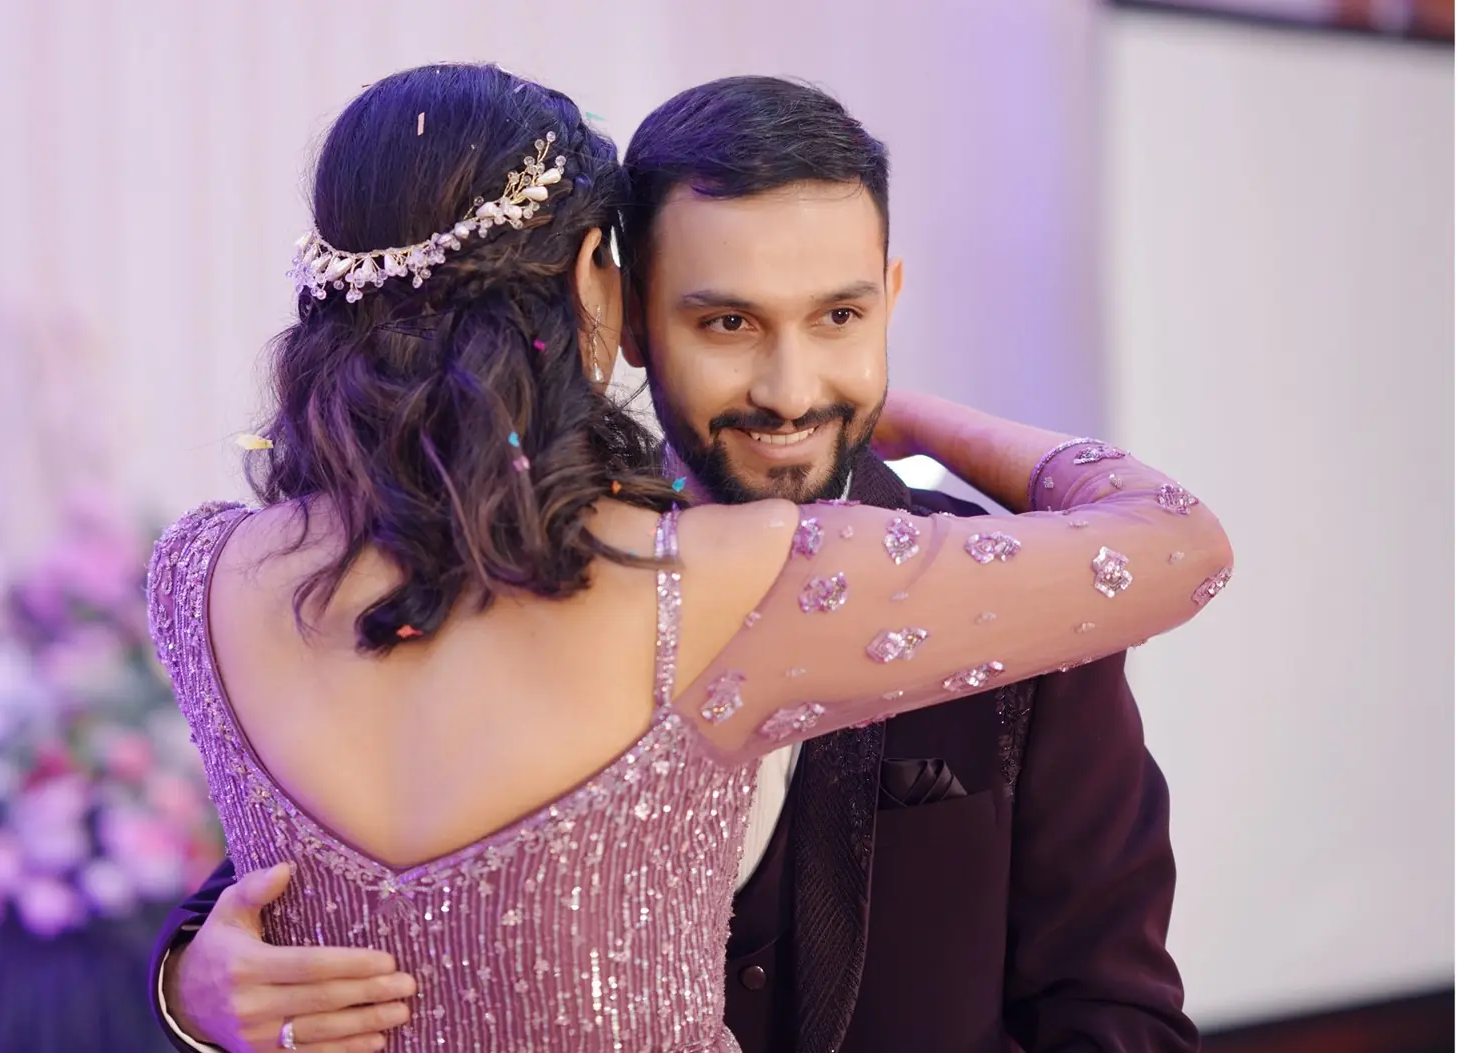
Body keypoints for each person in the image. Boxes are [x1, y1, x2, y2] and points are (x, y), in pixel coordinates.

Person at [147, 65, 1231, 1053]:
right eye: (725, 324)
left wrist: (917, 423)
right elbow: (334, 879)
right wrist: (190, 986)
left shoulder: (1008, 593)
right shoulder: (492, 568)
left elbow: (1117, 1019)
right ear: (618, 309)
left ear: (891, 300)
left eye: (840, 317)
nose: (792, 389)